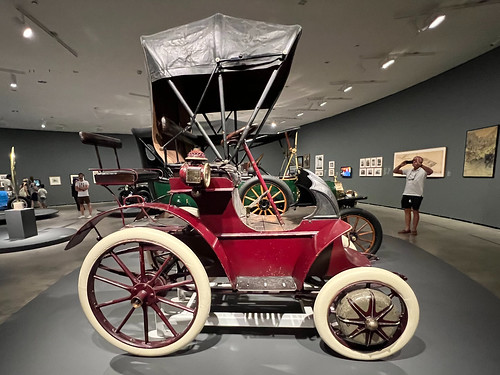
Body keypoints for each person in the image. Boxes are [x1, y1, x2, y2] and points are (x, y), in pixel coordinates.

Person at [393, 156, 433, 235]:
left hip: (417, 194)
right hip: (406, 193)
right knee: (407, 211)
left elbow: (430, 171)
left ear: (420, 162)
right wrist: (400, 165)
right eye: (413, 161)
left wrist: (421, 165)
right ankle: (407, 228)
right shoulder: (408, 171)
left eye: (416, 161)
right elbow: (395, 171)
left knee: (415, 211)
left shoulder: (423, 171)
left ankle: (414, 229)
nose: (414, 162)